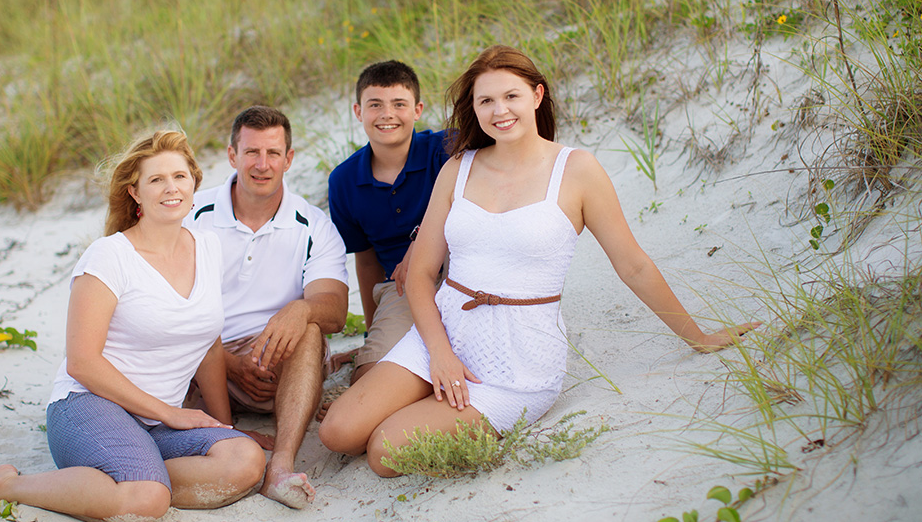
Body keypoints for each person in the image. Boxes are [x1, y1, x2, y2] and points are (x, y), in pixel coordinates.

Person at [319, 45, 759, 477]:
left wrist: (697, 337)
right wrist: (440, 355)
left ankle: (444, 410)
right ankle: (430, 395)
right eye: (486, 100)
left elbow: (634, 266)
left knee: (384, 451)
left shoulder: (578, 170)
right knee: (337, 433)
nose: (499, 110)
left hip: (519, 357)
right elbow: (420, 273)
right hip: (448, 329)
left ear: (537, 95)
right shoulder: (459, 166)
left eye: (511, 96)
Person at [0, 130, 267, 522]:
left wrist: (223, 426)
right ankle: (6, 485)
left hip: (156, 425)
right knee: (146, 500)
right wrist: (171, 413)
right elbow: (82, 362)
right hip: (91, 406)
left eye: (179, 176)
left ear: (194, 183)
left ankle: (130, 477)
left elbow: (207, 344)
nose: (170, 188)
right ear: (135, 193)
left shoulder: (207, 246)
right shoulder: (109, 256)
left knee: (244, 460)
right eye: (156, 180)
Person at [184, 106, 349, 508]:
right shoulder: (192, 214)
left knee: (309, 328)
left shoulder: (313, 226)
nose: (262, 164)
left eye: (273, 153)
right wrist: (224, 361)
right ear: (231, 156)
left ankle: (280, 466)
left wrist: (300, 310)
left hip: (273, 359)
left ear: (289, 159)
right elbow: (166, 302)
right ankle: (223, 434)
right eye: (251, 152)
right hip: (200, 355)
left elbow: (335, 309)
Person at [327, 60, 450, 385]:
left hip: (461, 272)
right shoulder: (344, 181)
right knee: (366, 381)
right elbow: (366, 262)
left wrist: (422, 240)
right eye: (375, 105)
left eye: (399, 104)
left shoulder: (444, 149)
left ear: (418, 109)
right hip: (403, 289)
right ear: (358, 111)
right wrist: (373, 334)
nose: (387, 114)